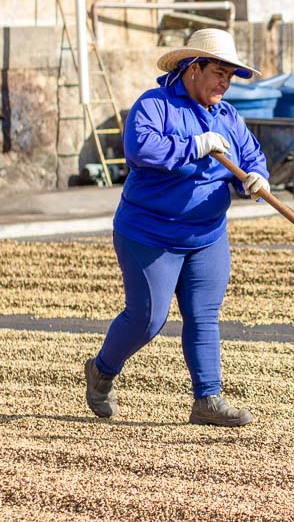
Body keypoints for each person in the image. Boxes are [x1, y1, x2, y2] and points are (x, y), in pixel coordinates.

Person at [84, 29, 270, 427]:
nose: (225, 83)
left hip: (206, 235)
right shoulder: (155, 105)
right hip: (150, 233)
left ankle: (207, 399)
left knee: (204, 315)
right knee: (147, 319)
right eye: (219, 73)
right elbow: (140, 149)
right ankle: (101, 370)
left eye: (230, 76)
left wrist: (255, 179)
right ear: (192, 68)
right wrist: (194, 146)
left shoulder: (228, 117)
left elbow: (251, 156)